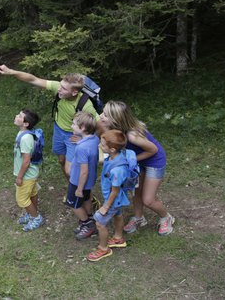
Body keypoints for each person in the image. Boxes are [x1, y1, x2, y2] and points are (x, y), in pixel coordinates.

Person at [0, 65, 99, 179]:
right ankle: (71, 189)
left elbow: (100, 125)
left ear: (74, 92)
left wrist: (84, 139)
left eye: (64, 88)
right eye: (60, 85)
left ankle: (84, 194)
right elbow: (33, 79)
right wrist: (11, 71)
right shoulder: (58, 88)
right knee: (61, 160)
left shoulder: (86, 105)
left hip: (72, 135)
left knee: (70, 171)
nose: (59, 89)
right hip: (58, 130)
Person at [99, 100, 175, 235]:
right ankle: (139, 218)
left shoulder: (132, 136)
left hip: (153, 161)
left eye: (105, 115)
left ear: (115, 119)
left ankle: (166, 217)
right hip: (136, 160)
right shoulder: (113, 128)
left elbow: (153, 150)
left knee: (148, 200)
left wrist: (129, 161)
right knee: (136, 192)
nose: (100, 116)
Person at [87, 130, 131, 261]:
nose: (100, 146)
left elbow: (115, 191)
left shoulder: (117, 170)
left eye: (103, 145)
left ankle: (103, 249)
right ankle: (118, 238)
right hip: (116, 200)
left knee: (100, 222)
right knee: (118, 214)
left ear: (111, 149)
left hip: (113, 200)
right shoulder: (115, 155)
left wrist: (105, 207)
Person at [66, 112, 100, 240]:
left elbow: (84, 171)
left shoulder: (81, 148)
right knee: (86, 199)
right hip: (89, 180)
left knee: (73, 204)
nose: (71, 126)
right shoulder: (94, 139)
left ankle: (88, 225)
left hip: (78, 181)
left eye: (74, 124)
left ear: (83, 128)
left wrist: (79, 189)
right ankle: (89, 217)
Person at [12, 109, 45, 232]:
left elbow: (26, 161)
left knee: (22, 199)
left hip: (26, 175)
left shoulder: (26, 138)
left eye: (20, 116)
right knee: (32, 193)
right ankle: (32, 214)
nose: (16, 116)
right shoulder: (23, 133)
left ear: (25, 124)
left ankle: (36, 218)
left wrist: (19, 177)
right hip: (32, 173)